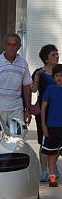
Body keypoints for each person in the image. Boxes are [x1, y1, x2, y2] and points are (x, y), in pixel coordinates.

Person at [0, 33, 33, 128]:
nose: (11, 48)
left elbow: (27, 87)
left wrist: (28, 110)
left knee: (18, 139)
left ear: (19, 46)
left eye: (14, 45)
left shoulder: (23, 63)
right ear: (4, 45)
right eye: (9, 44)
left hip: (16, 109)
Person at [31, 44, 59, 182]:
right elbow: (33, 90)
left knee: (58, 139)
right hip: (43, 110)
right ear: (46, 59)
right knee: (44, 139)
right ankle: (43, 171)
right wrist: (36, 76)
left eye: (57, 54)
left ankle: (53, 166)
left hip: (58, 111)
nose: (57, 56)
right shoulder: (39, 72)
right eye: (53, 55)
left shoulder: (60, 71)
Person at [40, 64, 62, 187]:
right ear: (53, 77)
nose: (60, 78)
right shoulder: (50, 89)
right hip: (52, 126)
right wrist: (43, 125)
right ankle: (52, 176)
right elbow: (43, 108)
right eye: (57, 75)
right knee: (52, 153)